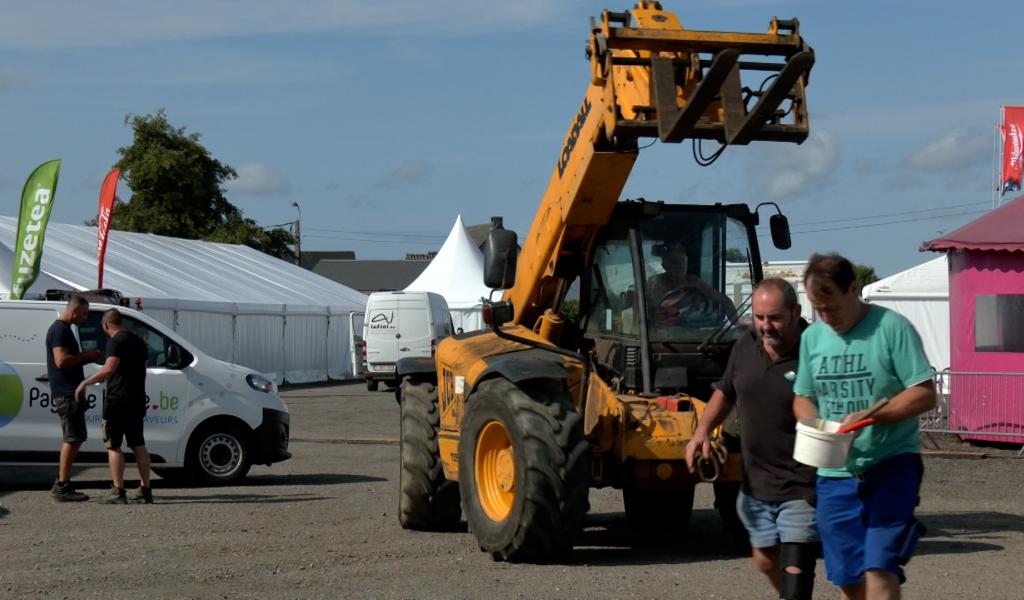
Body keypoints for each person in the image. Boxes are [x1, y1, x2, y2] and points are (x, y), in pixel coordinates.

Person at [793, 253, 935, 600]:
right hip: (834, 475)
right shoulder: (812, 337)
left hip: (890, 466)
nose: (827, 317)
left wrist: (873, 417)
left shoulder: (891, 328)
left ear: (854, 288)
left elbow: (924, 394)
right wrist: (814, 425)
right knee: (849, 580)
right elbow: (803, 395)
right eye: (817, 309)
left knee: (879, 567)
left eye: (832, 306)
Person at [686, 278, 819, 600]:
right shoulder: (744, 345)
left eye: (773, 318)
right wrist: (701, 432)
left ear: (795, 312)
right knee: (763, 558)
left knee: (796, 569)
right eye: (759, 318)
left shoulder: (816, 350)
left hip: (802, 481)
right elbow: (725, 392)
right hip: (756, 482)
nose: (765, 326)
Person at [75, 309, 153, 504]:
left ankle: (118, 490)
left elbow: (109, 368)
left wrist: (86, 383)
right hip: (136, 399)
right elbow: (143, 369)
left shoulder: (115, 342)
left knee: (114, 445)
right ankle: (146, 488)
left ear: (106, 325)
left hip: (117, 400)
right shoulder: (139, 342)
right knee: (138, 445)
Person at [46, 295, 103, 502]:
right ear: (74, 310)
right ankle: (62, 485)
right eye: (85, 313)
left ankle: (64, 482)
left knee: (75, 437)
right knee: (72, 438)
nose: (85, 318)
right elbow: (61, 361)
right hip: (66, 393)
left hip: (70, 392)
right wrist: (86, 357)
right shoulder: (60, 330)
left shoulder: (64, 330)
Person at [648, 242, 736, 325]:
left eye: (683, 261)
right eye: (674, 262)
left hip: (691, 330)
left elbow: (725, 301)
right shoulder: (656, 282)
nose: (680, 266)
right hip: (660, 332)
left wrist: (736, 325)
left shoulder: (694, 282)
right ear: (664, 266)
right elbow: (646, 308)